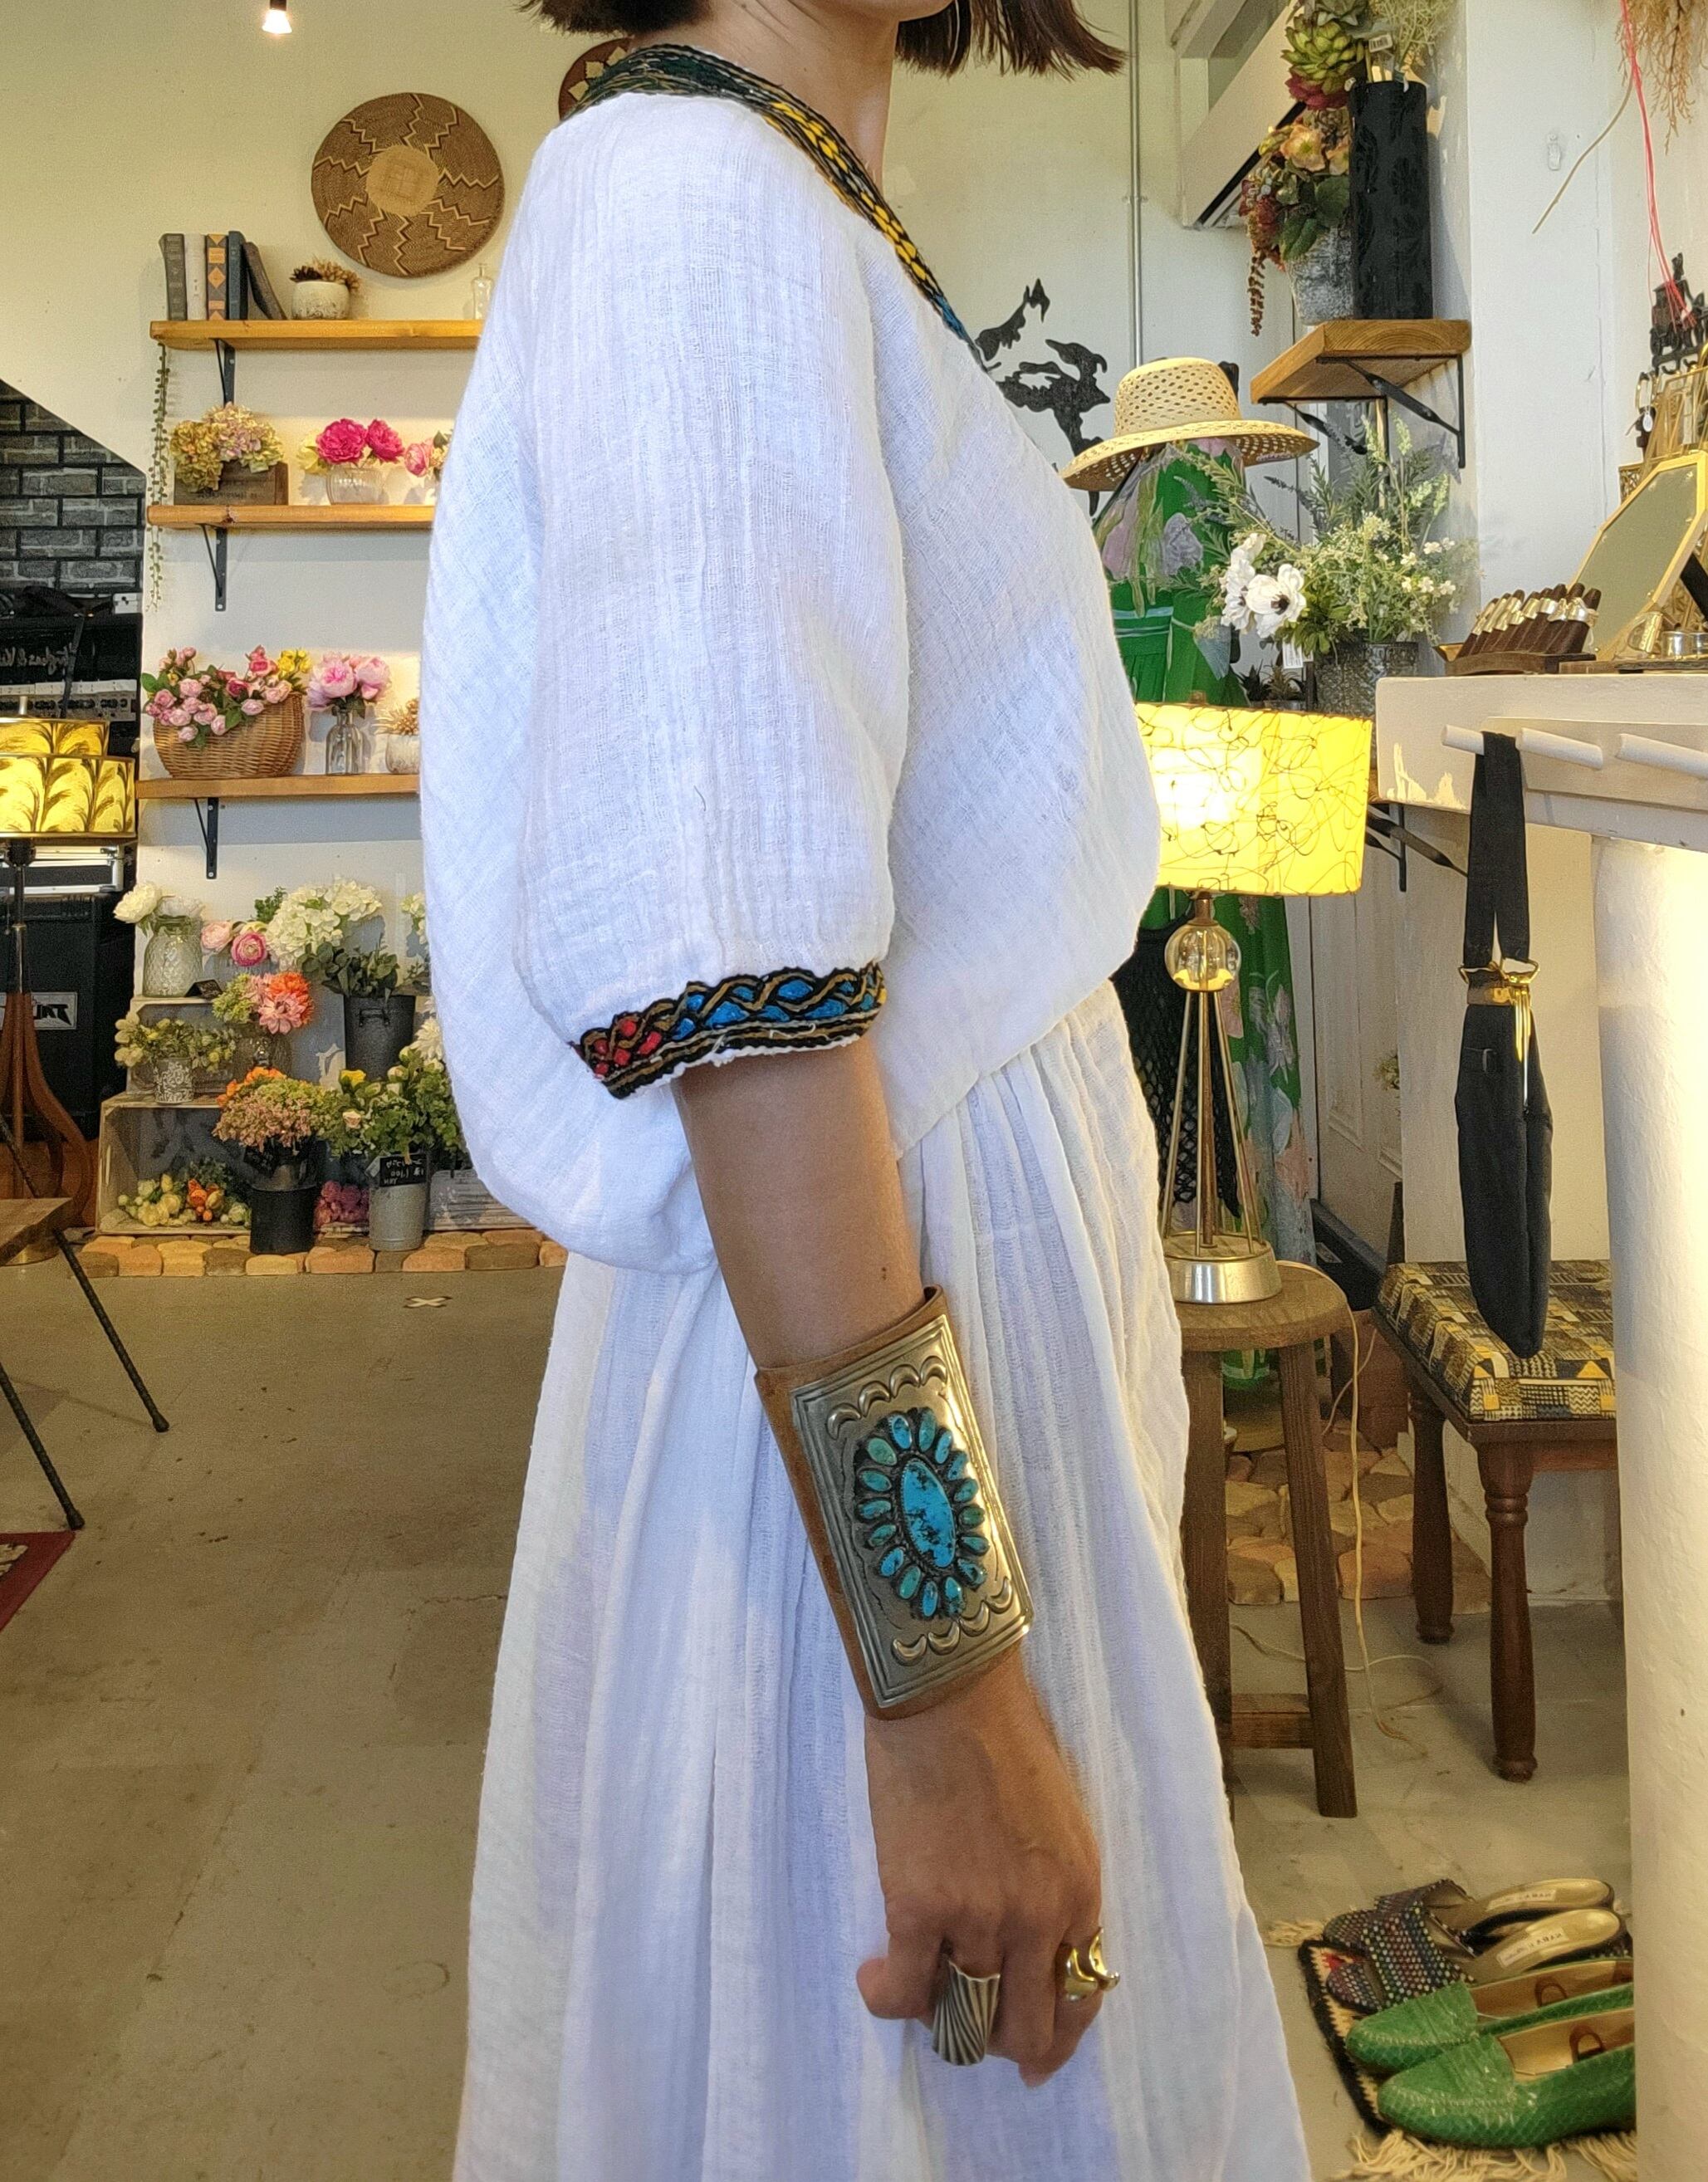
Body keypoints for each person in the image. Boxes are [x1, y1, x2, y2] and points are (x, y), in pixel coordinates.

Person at [420, 5, 1309, 2178]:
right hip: (859, 1394)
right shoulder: (690, 197)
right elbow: (739, 986)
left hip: (906, 1316)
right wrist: (942, 1691)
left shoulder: (771, 188)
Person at [1064, 360, 1319, 1270]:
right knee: (1210, 1029)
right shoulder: (1192, 494)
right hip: (1200, 806)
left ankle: (1147, 1262)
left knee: (1143, 1049)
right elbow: (1204, 673)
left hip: (1115, 821)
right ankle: (1226, 1255)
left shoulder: (1111, 527)